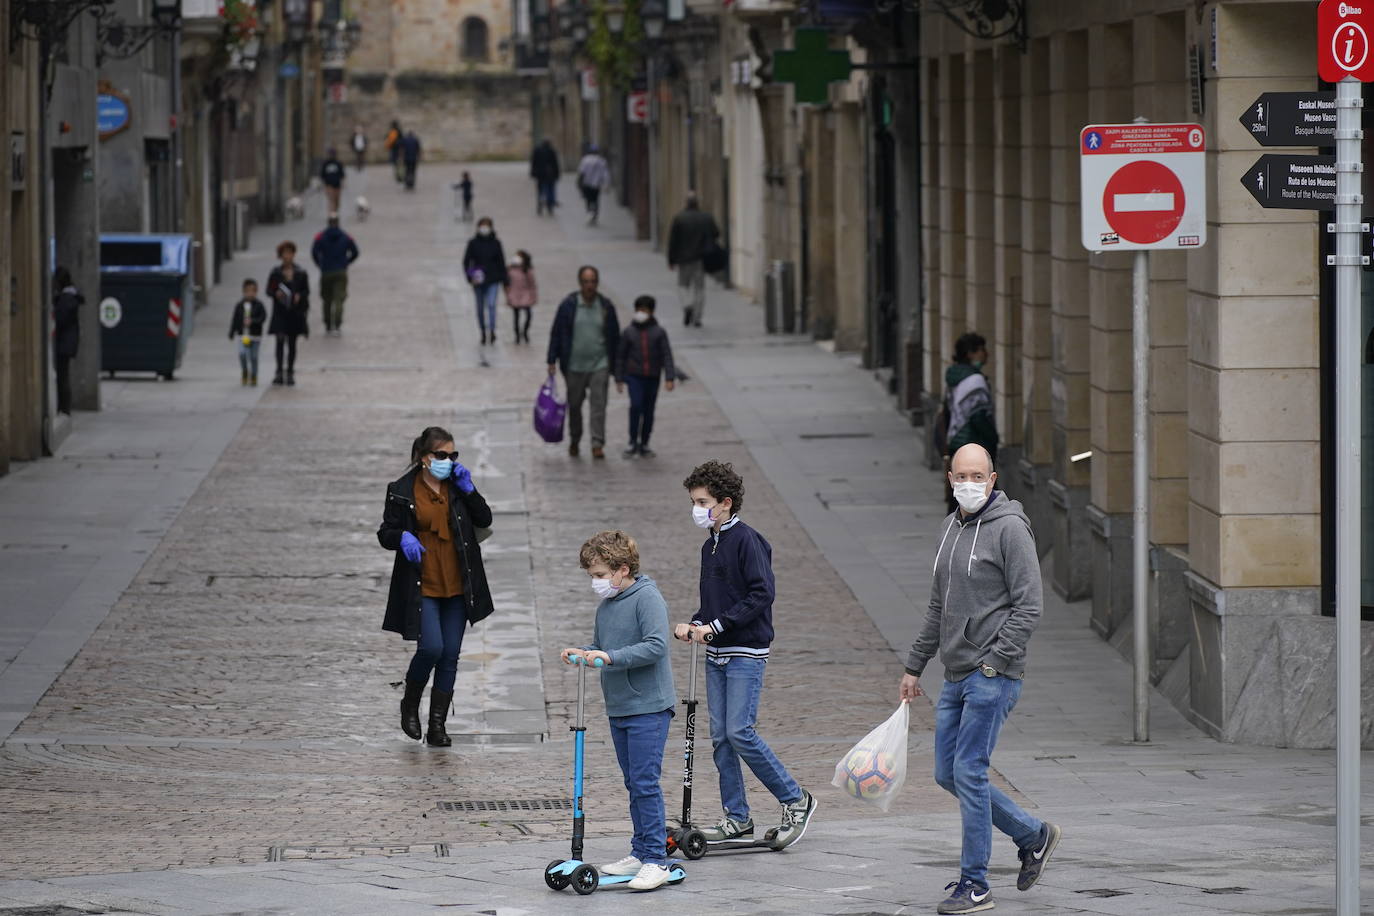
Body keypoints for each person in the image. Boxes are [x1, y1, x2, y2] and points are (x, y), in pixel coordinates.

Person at [899, 443, 1059, 915]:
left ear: (992, 479)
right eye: (961, 475)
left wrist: (996, 660)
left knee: (969, 771)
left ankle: (975, 883)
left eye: (978, 475)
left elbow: (1030, 604)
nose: (969, 483)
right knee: (947, 773)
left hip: (992, 674)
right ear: (950, 478)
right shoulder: (948, 528)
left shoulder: (1010, 529)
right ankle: (1033, 834)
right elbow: (937, 607)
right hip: (954, 672)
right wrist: (914, 666)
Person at [676, 460, 818, 851]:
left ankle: (796, 799)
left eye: (702, 501)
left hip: (745, 651)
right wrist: (694, 623)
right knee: (721, 737)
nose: (697, 508)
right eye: (693, 501)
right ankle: (737, 818)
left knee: (740, 731)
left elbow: (761, 594)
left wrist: (717, 626)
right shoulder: (711, 545)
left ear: (725, 503)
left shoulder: (748, 540)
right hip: (717, 652)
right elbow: (714, 603)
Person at [560, 530, 676, 891]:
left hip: (649, 707)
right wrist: (584, 652)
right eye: (591, 576)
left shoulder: (647, 599)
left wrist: (609, 657)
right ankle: (640, 850)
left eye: (598, 575)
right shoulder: (607, 605)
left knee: (644, 782)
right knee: (632, 782)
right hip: (620, 706)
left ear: (622, 569)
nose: (595, 582)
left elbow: (656, 645)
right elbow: (601, 645)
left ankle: (657, 858)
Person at [377, 426, 495, 748]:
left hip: (458, 581)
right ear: (423, 457)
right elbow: (385, 532)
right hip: (423, 582)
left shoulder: (456, 486)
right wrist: (402, 536)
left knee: (451, 655)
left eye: (453, 455)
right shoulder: (401, 490)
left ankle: (438, 725)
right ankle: (410, 703)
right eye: (441, 455)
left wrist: (469, 490)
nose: (448, 461)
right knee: (431, 648)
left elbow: (484, 519)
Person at [546, 266, 620, 460]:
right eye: (586, 281)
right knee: (575, 406)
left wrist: (618, 367)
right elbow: (557, 332)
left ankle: (597, 443)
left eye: (593, 281)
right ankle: (575, 439)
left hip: (599, 364)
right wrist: (551, 359)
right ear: (580, 283)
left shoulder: (605, 306)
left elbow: (614, 337)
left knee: (598, 406)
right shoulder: (568, 305)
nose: (590, 285)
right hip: (574, 366)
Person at [939, 332, 999, 513]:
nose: (985, 354)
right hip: (973, 441)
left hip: (955, 440)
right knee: (981, 492)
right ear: (971, 353)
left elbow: (947, 410)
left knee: (958, 493)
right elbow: (979, 417)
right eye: (981, 350)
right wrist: (993, 440)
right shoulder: (975, 381)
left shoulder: (954, 377)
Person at [616, 296, 675, 459]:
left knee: (649, 410)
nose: (641, 313)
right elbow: (620, 356)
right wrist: (619, 378)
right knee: (635, 406)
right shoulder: (628, 332)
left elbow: (666, 355)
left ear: (651, 312)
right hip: (634, 377)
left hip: (652, 377)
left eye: (645, 310)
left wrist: (669, 377)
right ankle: (632, 440)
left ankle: (645, 442)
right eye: (639, 310)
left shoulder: (659, 332)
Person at [667, 192, 721, 328]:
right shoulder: (706, 218)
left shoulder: (679, 218)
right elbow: (716, 233)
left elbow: (673, 241)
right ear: (697, 203)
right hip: (700, 259)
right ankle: (697, 317)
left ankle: (687, 306)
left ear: (686, 203)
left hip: (683, 260)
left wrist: (671, 260)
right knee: (699, 289)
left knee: (682, 286)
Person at [266, 240, 310, 386]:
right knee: (279, 341)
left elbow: (306, 290)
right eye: (284, 253)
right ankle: (279, 371)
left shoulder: (300, 273)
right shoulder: (276, 273)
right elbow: (269, 290)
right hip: (280, 312)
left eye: (289, 253)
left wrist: (299, 296)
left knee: (292, 344)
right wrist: (276, 293)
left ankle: (290, 371)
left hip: (294, 313)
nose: (287, 256)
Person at [462, 217, 509, 346]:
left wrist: (505, 281)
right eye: (482, 225)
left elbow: (501, 262)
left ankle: (492, 330)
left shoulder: (496, 243)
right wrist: (470, 276)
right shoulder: (473, 243)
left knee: (492, 305)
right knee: (480, 308)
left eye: (487, 226)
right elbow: (466, 262)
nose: (484, 228)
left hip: (493, 279)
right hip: (478, 281)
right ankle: (482, 330)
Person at [311, 214, 360, 336]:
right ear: (338, 222)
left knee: (327, 299)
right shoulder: (345, 236)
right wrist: (346, 262)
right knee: (339, 299)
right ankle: (337, 324)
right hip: (340, 272)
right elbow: (356, 252)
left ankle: (328, 324)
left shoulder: (320, 236)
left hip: (326, 271)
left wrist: (319, 263)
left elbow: (314, 252)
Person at [52, 267, 81, 415]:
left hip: (64, 342)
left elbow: (60, 319)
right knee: (63, 375)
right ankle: (63, 407)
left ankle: (64, 408)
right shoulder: (70, 297)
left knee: (62, 377)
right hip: (67, 342)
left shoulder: (67, 299)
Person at [228, 278, 267, 386]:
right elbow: (235, 319)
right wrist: (232, 332)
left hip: (255, 335)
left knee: (254, 356)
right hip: (243, 335)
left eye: (252, 291)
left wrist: (253, 321)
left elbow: (263, 317)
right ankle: (245, 371)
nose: (250, 293)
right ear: (244, 292)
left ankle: (254, 375)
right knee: (242, 354)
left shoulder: (259, 305)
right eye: (247, 291)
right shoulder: (239, 305)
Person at [505, 249, 538, 344]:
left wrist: (533, 296)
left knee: (528, 315)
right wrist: (508, 296)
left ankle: (525, 332)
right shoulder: (510, 269)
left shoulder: (527, 270)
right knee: (516, 317)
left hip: (525, 295)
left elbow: (532, 284)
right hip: (514, 295)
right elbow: (507, 284)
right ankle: (517, 335)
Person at [576, 144, 611, 225]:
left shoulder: (585, 160)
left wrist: (579, 182)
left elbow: (581, 172)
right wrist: (607, 184)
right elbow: (605, 174)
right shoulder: (602, 161)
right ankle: (595, 215)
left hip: (587, 184)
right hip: (596, 184)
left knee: (588, 199)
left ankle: (589, 211)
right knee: (595, 200)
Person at [530, 138, 560, 215]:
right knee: (550, 190)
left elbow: (533, 163)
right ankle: (549, 206)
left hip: (540, 175)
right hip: (550, 175)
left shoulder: (537, 150)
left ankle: (540, 204)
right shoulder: (551, 151)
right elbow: (555, 164)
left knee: (540, 191)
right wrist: (557, 174)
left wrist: (533, 173)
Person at [320, 148, 345, 214]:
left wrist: (343, 183)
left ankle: (335, 212)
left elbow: (342, 174)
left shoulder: (338, 163)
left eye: (332, 154)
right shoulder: (325, 164)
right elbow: (322, 175)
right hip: (329, 184)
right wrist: (323, 185)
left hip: (337, 184)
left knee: (337, 201)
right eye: (330, 154)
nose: (331, 156)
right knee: (331, 199)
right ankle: (331, 214)